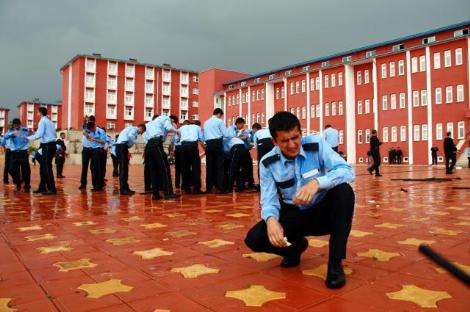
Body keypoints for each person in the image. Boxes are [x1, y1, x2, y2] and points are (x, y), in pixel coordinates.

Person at [244, 112, 355, 289]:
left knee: (344, 191)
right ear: (274, 142)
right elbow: (269, 199)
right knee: (254, 238)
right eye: (285, 141)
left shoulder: (316, 144)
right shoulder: (267, 163)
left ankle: (335, 263)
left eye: (295, 137)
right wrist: (271, 220)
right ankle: (294, 249)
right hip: (293, 214)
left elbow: (346, 171)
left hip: (321, 211)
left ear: (301, 133)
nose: (292, 144)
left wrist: (317, 183)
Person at [146, 114, 180, 200]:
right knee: (164, 168)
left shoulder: (150, 123)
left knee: (153, 170)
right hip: (156, 144)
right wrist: (177, 131)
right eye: (173, 123)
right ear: (172, 120)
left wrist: (165, 135)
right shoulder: (166, 118)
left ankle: (155, 194)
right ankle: (168, 193)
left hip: (149, 145)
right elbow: (168, 128)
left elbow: (164, 138)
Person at [26, 107, 57, 195]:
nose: (37, 114)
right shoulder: (50, 122)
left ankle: (52, 188)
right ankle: (42, 187)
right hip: (49, 145)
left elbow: (39, 134)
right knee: (41, 163)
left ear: (40, 113)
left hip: (47, 146)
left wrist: (28, 138)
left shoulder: (42, 121)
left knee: (46, 167)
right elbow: (54, 134)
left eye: (37, 112)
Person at [203, 108, 231, 193]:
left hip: (208, 144)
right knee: (219, 166)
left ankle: (209, 188)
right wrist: (233, 136)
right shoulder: (219, 121)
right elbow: (226, 134)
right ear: (219, 114)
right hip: (217, 144)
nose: (221, 117)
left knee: (209, 166)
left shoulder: (206, 122)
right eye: (221, 115)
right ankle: (220, 187)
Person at [115, 124, 146, 195]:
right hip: (121, 147)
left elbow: (129, 143)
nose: (141, 133)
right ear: (140, 128)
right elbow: (130, 137)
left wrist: (133, 143)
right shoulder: (134, 129)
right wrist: (137, 143)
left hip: (123, 147)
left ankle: (126, 188)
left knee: (125, 169)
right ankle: (123, 189)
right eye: (142, 131)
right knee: (123, 169)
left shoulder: (133, 132)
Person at [4, 119, 30, 192]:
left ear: (20, 124)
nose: (16, 126)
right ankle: (18, 182)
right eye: (15, 125)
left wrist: (22, 134)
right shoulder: (11, 131)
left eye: (17, 125)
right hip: (14, 153)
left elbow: (29, 138)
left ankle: (27, 186)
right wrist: (12, 133)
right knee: (11, 169)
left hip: (23, 152)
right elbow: (5, 137)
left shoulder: (24, 130)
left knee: (26, 171)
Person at [179, 120, 204, 194]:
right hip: (192, 146)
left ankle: (187, 188)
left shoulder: (181, 128)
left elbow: (177, 138)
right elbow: (201, 138)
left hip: (183, 147)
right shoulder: (197, 127)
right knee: (196, 167)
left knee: (185, 168)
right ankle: (196, 188)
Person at [85, 121, 106, 191]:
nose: (91, 131)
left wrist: (94, 139)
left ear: (94, 126)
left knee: (99, 169)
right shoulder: (90, 131)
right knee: (93, 168)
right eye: (89, 130)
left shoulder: (101, 131)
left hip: (99, 151)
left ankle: (99, 186)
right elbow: (88, 138)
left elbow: (103, 141)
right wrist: (87, 136)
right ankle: (95, 185)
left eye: (91, 129)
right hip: (93, 151)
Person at [79, 116, 93, 190]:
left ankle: (95, 184)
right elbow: (84, 125)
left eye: (89, 120)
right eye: (87, 121)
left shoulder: (94, 129)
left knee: (93, 168)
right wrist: (85, 119)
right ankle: (83, 184)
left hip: (93, 150)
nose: (88, 122)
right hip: (86, 150)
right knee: (84, 167)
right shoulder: (85, 128)